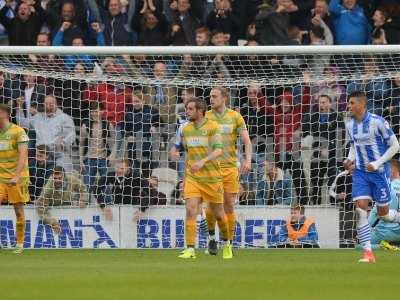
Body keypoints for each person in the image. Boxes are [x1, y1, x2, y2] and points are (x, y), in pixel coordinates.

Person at [344, 91, 400, 263]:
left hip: (379, 173)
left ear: (362, 104)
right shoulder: (350, 125)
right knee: (361, 210)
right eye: (349, 103)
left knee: (384, 214)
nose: (349, 106)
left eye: (352, 103)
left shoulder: (378, 122)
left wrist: (378, 163)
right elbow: (354, 146)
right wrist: (349, 159)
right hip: (360, 173)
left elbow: (395, 146)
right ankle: (368, 253)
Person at [178, 97, 232, 259]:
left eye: (190, 109)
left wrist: (202, 162)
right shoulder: (186, 130)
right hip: (194, 178)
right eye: (187, 109)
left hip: (212, 178)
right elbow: (188, 155)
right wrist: (185, 177)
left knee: (219, 215)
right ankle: (190, 249)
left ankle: (227, 243)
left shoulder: (212, 127)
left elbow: (218, 151)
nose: (187, 112)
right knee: (190, 209)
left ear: (200, 111)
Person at [204, 87, 252, 255]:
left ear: (224, 97)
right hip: (211, 169)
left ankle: (228, 244)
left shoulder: (235, 116)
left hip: (230, 167)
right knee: (211, 206)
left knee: (229, 205)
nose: (211, 99)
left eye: (214, 96)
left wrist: (248, 160)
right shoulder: (205, 116)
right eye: (210, 96)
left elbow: (247, 141)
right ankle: (211, 238)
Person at [17, 94, 76, 172]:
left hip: (59, 155)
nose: (48, 106)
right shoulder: (38, 117)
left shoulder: (65, 118)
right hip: (41, 156)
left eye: (51, 103)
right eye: (46, 103)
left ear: (56, 104)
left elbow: (72, 134)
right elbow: (22, 123)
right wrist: (19, 107)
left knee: (61, 178)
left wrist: (64, 142)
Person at [0, 103, 30, 253]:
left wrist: (17, 176)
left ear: (4, 114)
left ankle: (19, 243)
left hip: (17, 178)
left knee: (18, 210)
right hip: (1, 177)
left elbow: (23, 155)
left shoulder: (18, 131)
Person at [36, 166, 89, 234]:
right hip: (54, 207)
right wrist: (52, 222)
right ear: (52, 176)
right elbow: (40, 208)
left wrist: (83, 199)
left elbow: (83, 189)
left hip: (69, 206)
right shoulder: (48, 188)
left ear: (64, 176)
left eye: (59, 178)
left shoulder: (72, 179)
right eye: (55, 178)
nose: (57, 180)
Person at [80, 102, 114, 193]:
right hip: (90, 158)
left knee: (106, 185)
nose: (94, 113)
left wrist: (112, 156)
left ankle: (109, 203)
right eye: (92, 111)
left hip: (103, 159)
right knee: (87, 184)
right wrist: (80, 160)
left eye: (96, 111)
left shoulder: (107, 125)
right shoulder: (85, 125)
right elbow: (81, 144)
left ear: (102, 112)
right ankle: (87, 204)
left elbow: (114, 143)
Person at [369, 159, 400, 250]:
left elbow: (374, 214)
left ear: (392, 171)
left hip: (385, 232)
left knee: (363, 243)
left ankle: (383, 246)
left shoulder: (385, 188)